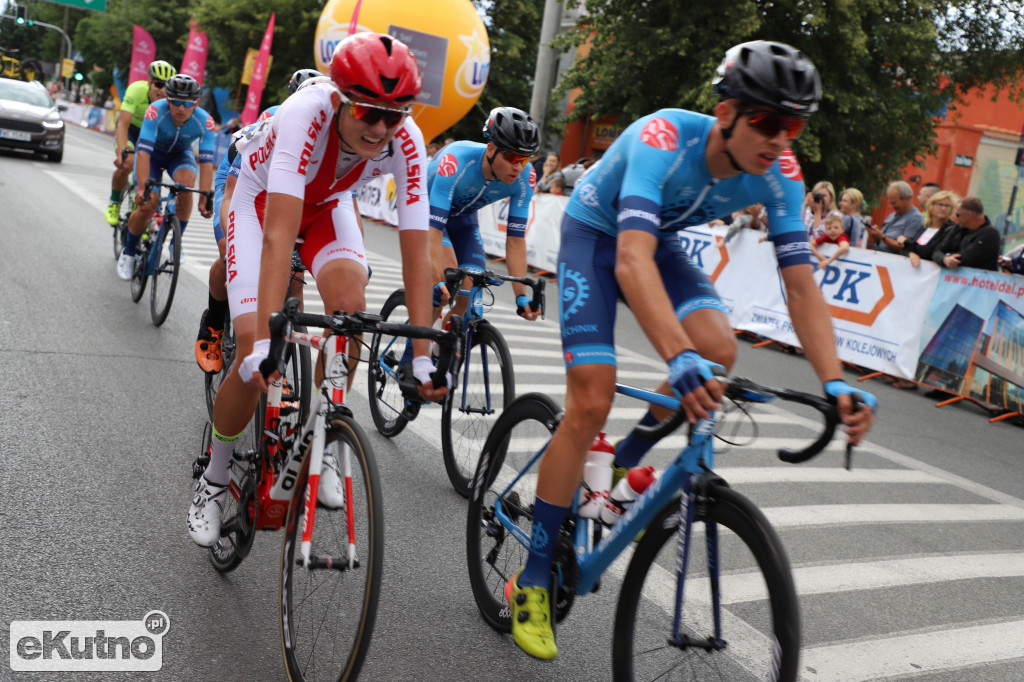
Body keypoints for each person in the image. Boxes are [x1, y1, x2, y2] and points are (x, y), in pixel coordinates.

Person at [502, 40, 876, 661]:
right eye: (765, 120)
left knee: (718, 349)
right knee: (592, 398)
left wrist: (836, 381)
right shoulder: (662, 137)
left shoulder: (780, 174)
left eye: (794, 125)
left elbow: (801, 282)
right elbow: (628, 258)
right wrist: (674, 355)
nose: (779, 138)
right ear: (726, 110)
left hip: (660, 245)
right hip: (596, 239)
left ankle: (624, 461)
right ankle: (534, 577)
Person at [186, 32, 448, 546]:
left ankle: (326, 437)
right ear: (339, 100)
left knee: (350, 312)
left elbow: (418, 254)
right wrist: (263, 343)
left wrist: (422, 359)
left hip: (327, 206)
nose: (381, 128)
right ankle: (214, 479)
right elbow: (280, 233)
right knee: (254, 346)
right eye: (368, 112)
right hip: (260, 202)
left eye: (394, 116)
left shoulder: (407, 139)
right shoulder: (307, 112)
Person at [194, 69, 320, 374]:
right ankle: (214, 324)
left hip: (285, 193)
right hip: (241, 182)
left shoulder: (328, 132)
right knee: (229, 253)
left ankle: (279, 372)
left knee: (294, 281)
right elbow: (235, 195)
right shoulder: (271, 120)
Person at [425, 107, 543, 324]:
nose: (517, 167)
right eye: (511, 156)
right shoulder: (456, 161)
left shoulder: (526, 177)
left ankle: (442, 351)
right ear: (490, 149)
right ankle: (412, 355)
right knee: (446, 281)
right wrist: (435, 277)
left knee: (469, 301)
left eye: (524, 159)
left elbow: (516, 240)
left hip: (463, 221)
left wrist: (521, 295)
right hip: (427, 214)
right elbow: (434, 228)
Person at [116, 74, 214, 281]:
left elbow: (206, 163)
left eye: (186, 104)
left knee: (187, 186)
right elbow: (143, 154)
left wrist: (205, 197)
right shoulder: (155, 112)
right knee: (149, 202)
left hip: (178, 155)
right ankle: (129, 252)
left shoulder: (205, 121)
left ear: (196, 102)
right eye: (175, 102)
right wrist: (143, 189)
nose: (181, 109)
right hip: (151, 155)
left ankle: (174, 243)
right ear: (167, 100)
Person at [104, 60, 177, 226]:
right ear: (149, 83)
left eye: (167, 86)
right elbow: (123, 124)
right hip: (132, 130)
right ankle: (114, 203)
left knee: (150, 172)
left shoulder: (171, 100)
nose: (162, 90)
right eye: (158, 85)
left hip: (152, 135)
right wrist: (122, 152)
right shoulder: (136, 90)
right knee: (127, 163)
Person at [931, 196, 1001, 271]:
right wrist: (944, 259)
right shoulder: (958, 228)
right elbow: (937, 251)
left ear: (968, 214)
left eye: (958, 215)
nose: (956, 218)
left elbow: (967, 258)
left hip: (978, 280)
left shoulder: (990, 234)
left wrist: (948, 255)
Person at [899, 189, 959, 268]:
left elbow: (929, 251)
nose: (943, 208)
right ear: (931, 206)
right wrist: (911, 254)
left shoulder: (952, 228)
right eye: (940, 204)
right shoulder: (925, 226)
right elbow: (904, 250)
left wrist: (905, 241)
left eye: (947, 206)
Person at [865, 180, 923, 255]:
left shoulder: (916, 218)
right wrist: (875, 235)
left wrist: (882, 236)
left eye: (894, 203)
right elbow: (882, 243)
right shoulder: (891, 215)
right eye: (890, 203)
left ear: (907, 198)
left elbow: (903, 247)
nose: (891, 207)